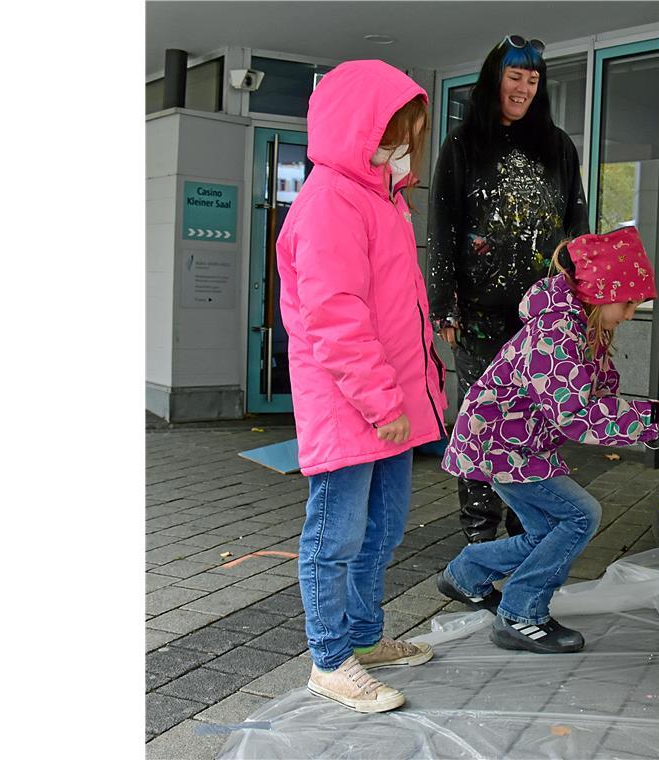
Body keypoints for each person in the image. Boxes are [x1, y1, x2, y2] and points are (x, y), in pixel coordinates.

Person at [275, 60, 447, 713]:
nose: (408, 141)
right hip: (353, 405)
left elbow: (403, 309)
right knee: (335, 532)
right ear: (367, 127)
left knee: (383, 528)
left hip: (388, 406)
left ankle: (365, 638)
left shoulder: (382, 198)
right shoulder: (330, 201)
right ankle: (329, 658)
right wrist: (383, 401)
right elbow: (335, 315)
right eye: (402, 128)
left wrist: (408, 398)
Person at [434, 227, 659, 653]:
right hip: (503, 445)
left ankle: (466, 574)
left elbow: (599, 397)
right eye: (628, 302)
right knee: (579, 516)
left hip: (513, 443)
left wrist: (651, 425)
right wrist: (647, 418)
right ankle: (520, 614)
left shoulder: (582, 327)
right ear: (600, 292)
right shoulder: (556, 332)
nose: (631, 313)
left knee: (548, 531)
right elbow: (573, 414)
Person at [427, 34, 590, 544]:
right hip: (477, 315)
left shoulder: (558, 145)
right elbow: (443, 227)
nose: (523, 88)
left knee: (537, 423)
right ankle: (480, 536)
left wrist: (584, 301)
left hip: (542, 316)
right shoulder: (463, 144)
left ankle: (528, 532)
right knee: (481, 422)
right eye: (514, 77)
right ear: (494, 80)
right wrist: (444, 306)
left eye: (532, 79)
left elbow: (577, 228)